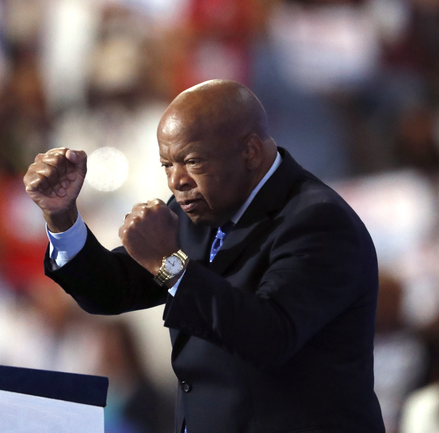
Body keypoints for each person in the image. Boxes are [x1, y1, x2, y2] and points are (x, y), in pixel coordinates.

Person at [24, 80, 385, 433]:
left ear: (250, 152)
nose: (175, 181)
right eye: (167, 165)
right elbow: (110, 290)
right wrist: (62, 217)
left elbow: (269, 338)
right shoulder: (199, 208)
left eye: (192, 161)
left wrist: (169, 263)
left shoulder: (317, 222)